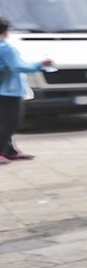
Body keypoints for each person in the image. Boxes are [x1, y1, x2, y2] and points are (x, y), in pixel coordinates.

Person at [0, 17, 55, 164]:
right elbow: (17, 67)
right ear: (6, 30)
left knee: (4, 122)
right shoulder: (6, 48)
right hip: (9, 91)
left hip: (3, 90)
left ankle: (9, 151)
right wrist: (40, 64)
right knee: (10, 122)